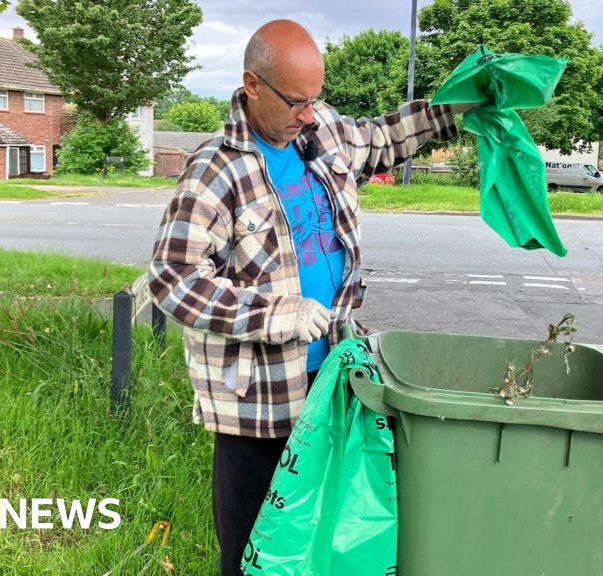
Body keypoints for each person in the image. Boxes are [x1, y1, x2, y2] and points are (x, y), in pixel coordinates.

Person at [149, 19, 467, 576]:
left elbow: (387, 136)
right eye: (297, 101)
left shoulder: (322, 133)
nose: (309, 113)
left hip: (333, 388)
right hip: (259, 408)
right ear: (252, 85)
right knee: (255, 553)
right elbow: (173, 278)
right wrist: (273, 314)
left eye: (316, 99)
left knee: (325, 541)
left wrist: (458, 106)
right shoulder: (215, 170)